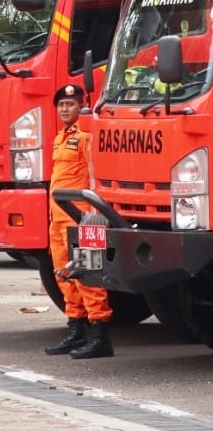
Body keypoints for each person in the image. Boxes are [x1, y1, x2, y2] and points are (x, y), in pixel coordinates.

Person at [43, 84, 115, 359]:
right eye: (61, 104)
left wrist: (96, 215)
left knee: (89, 276)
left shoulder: (86, 137)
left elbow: (95, 176)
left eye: (70, 104)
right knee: (64, 275)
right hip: (58, 220)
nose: (64, 109)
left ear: (81, 106)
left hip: (82, 220)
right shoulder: (59, 138)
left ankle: (100, 335)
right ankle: (76, 330)